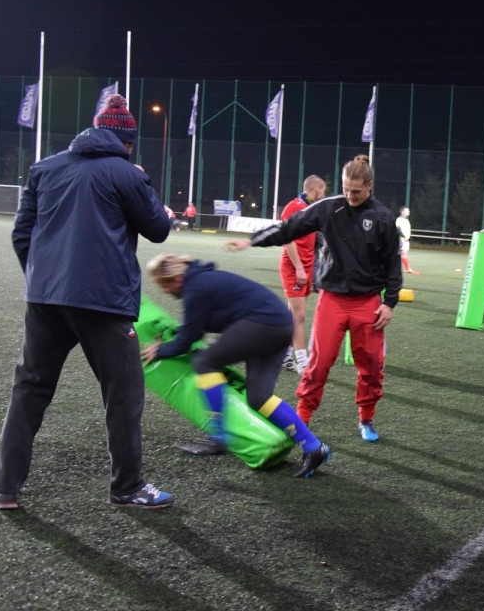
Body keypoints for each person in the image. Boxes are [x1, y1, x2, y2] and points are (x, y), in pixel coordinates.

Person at [0, 94, 174, 510]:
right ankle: (127, 487)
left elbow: (23, 234)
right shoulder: (126, 173)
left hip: (45, 300)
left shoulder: (45, 168)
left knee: (30, 387)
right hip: (104, 303)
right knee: (123, 394)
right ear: (127, 142)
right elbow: (159, 228)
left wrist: (43, 280)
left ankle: (4, 487)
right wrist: (145, 183)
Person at [225, 155, 401, 443]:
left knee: (370, 366)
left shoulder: (382, 217)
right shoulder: (328, 208)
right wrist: (251, 240)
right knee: (317, 365)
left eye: (356, 191)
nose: (350, 195)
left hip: (369, 303)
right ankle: (301, 420)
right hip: (332, 300)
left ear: (370, 185)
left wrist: (389, 302)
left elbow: (392, 263)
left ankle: (366, 419)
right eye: (345, 189)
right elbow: (288, 228)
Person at [141, 254, 331, 477]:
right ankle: (314, 447)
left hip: (263, 325)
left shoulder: (196, 288)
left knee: (205, 362)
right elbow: (195, 328)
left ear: (175, 278)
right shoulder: (203, 281)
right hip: (280, 327)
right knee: (259, 397)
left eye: (164, 285)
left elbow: (186, 341)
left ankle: (219, 436)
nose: (164, 291)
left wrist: (159, 350)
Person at [278, 175, 328, 374]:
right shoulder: (294, 206)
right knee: (299, 316)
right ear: (316, 190)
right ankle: (302, 361)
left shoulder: (310, 209)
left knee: (292, 315)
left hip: (306, 266)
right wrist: (299, 267)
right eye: (322, 191)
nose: (323, 194)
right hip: (294, 267)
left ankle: (285, 355)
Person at [396, 206, 420, 274]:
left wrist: (407, 237)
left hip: (406, 240)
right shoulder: (399, 219)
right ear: (402, 211)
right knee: (401, 254)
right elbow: (398, 229)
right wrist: (404, 236)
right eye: (407, 210)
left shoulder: (406, 219)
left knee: (404, 254)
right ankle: (407, 268)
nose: (409, 211)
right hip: (401, 239)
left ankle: (407, 268)